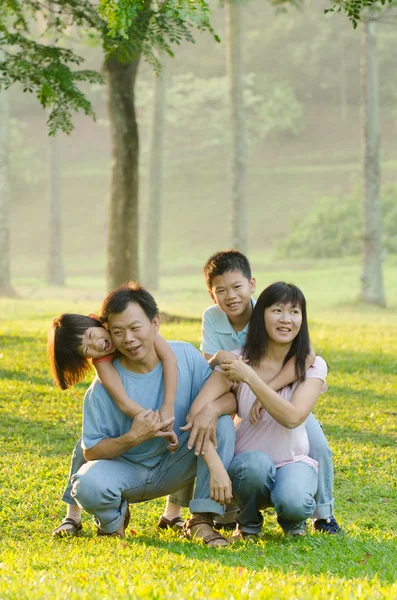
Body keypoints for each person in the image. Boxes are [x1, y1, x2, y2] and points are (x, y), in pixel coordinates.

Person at [160, 250, 340, 535]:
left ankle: (322, 514)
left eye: (293, 312)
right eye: (221, 290)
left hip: (282, 403)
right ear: (212, 294)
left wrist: (259, 387)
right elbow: (210, 375)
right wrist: (217, 391)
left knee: (317, 445)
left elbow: (306, 358)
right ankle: (195, 511)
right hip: (237, 387)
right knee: (230, 440)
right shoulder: (215, 321)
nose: (231, 296)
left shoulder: (268, 312)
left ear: (252, 286)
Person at [70, 282, 237, 546]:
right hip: (128, 471)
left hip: (177, 462)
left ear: (155, 324)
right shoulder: (102, 389)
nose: (129, 339)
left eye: (135, 328)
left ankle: (201, 520)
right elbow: (90, 452)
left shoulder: (185, 357)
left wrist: (212, 409)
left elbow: (229, 397)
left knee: (222, 423)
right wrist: (132, 438)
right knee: (88, 484)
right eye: (118, 332)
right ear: (109, 334)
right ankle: (113, 524)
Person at [48, 312, 179, 537]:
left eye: (92, 335)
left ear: (97, 321)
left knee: (186, 426)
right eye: (87, 349)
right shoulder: (102, 361)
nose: (98, 345)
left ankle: (173, 512)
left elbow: (170, 359)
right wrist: (156, 425)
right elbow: (124, 402)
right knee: (87, 446)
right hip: (133, 413)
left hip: (160, 393)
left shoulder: (133, 330)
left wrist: (167, 408)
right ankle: (72, 515)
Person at [218, 281, 329, 538]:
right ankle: (247, 522)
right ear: (261, 315)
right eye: (277, 310)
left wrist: (252, 380)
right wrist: (212, 408)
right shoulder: (239, 360)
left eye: (294, 312)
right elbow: (204, 400)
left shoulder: (313, 366)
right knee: (253, 467)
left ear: (303, 319)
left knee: (294, 500)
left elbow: (293, 417)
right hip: (248, 462)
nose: (286, 319)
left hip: (292, 460)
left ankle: (293, 521)